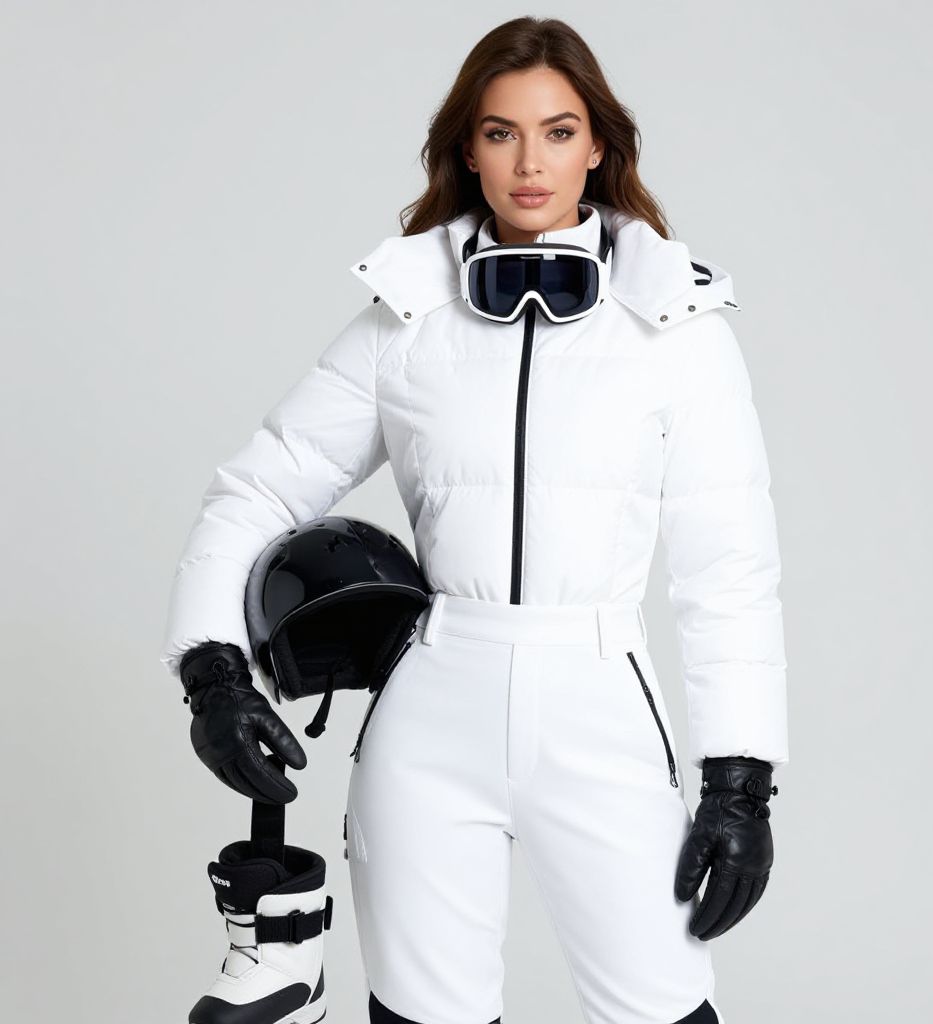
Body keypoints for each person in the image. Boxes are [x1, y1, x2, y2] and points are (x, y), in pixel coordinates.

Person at [161, 16, 788, 1024]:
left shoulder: (676, 326)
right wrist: (212, 670)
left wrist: (740, 781)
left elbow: (728, 571)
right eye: (501, 133)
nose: (530, 162)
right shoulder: (404, 318)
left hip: (600, 706)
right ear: (467, 150)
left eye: (557, 131)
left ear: (598, 146)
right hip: (429, 716)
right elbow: (257, 490)